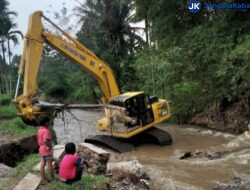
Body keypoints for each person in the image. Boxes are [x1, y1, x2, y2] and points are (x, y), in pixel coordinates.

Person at [37, 115, 54, 184]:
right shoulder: (46, 131)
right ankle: (52, 179)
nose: (50, 123)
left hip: (41, 149)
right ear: (46, 123)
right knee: (49, 164)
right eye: (49, 122)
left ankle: (43, 178)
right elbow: (45, 141)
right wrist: (49, 146)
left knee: (42, 164)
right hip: (46, 149)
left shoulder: (39, 130)